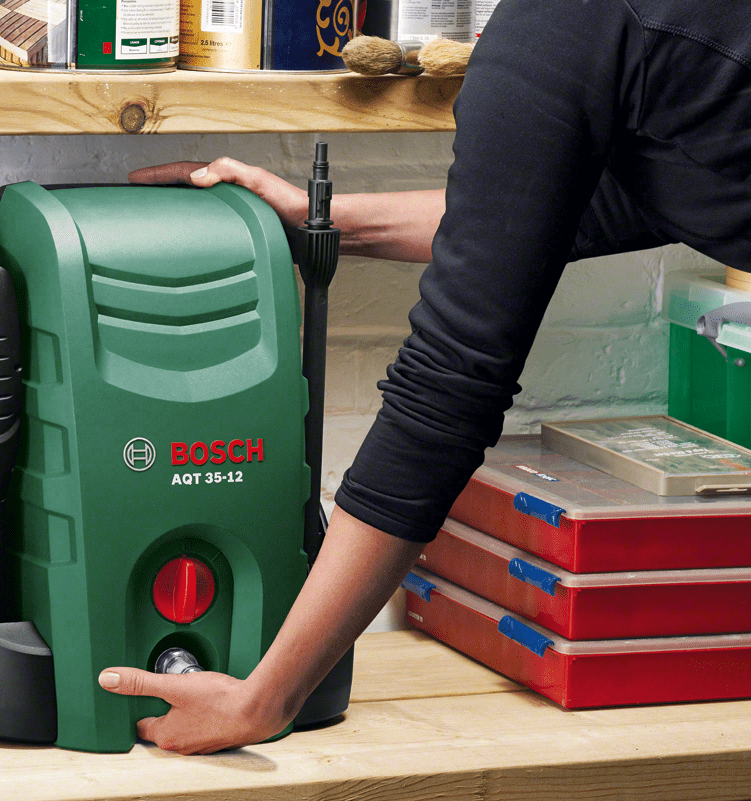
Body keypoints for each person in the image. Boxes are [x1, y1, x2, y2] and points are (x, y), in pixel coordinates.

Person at [94, 0, 751, 754]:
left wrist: (265, 698)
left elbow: (451, 384)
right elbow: (554, 215)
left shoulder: (565, 22)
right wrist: (321, 221)